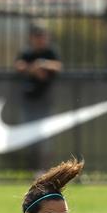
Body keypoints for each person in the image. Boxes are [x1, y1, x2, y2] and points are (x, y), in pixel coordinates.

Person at [14, 24, 63, 171]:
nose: (41, 40)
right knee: (29, 138)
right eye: (38, 36)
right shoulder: (26, 52)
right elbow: (18, 65)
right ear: (32, 38)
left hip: (45, 103)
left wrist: (43, 65)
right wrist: (33, 70)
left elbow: (58, 66)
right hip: (29, 103)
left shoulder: (50, 52)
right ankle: (31, 169)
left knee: (46, 140)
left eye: (43, 36)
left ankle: (45, 170)